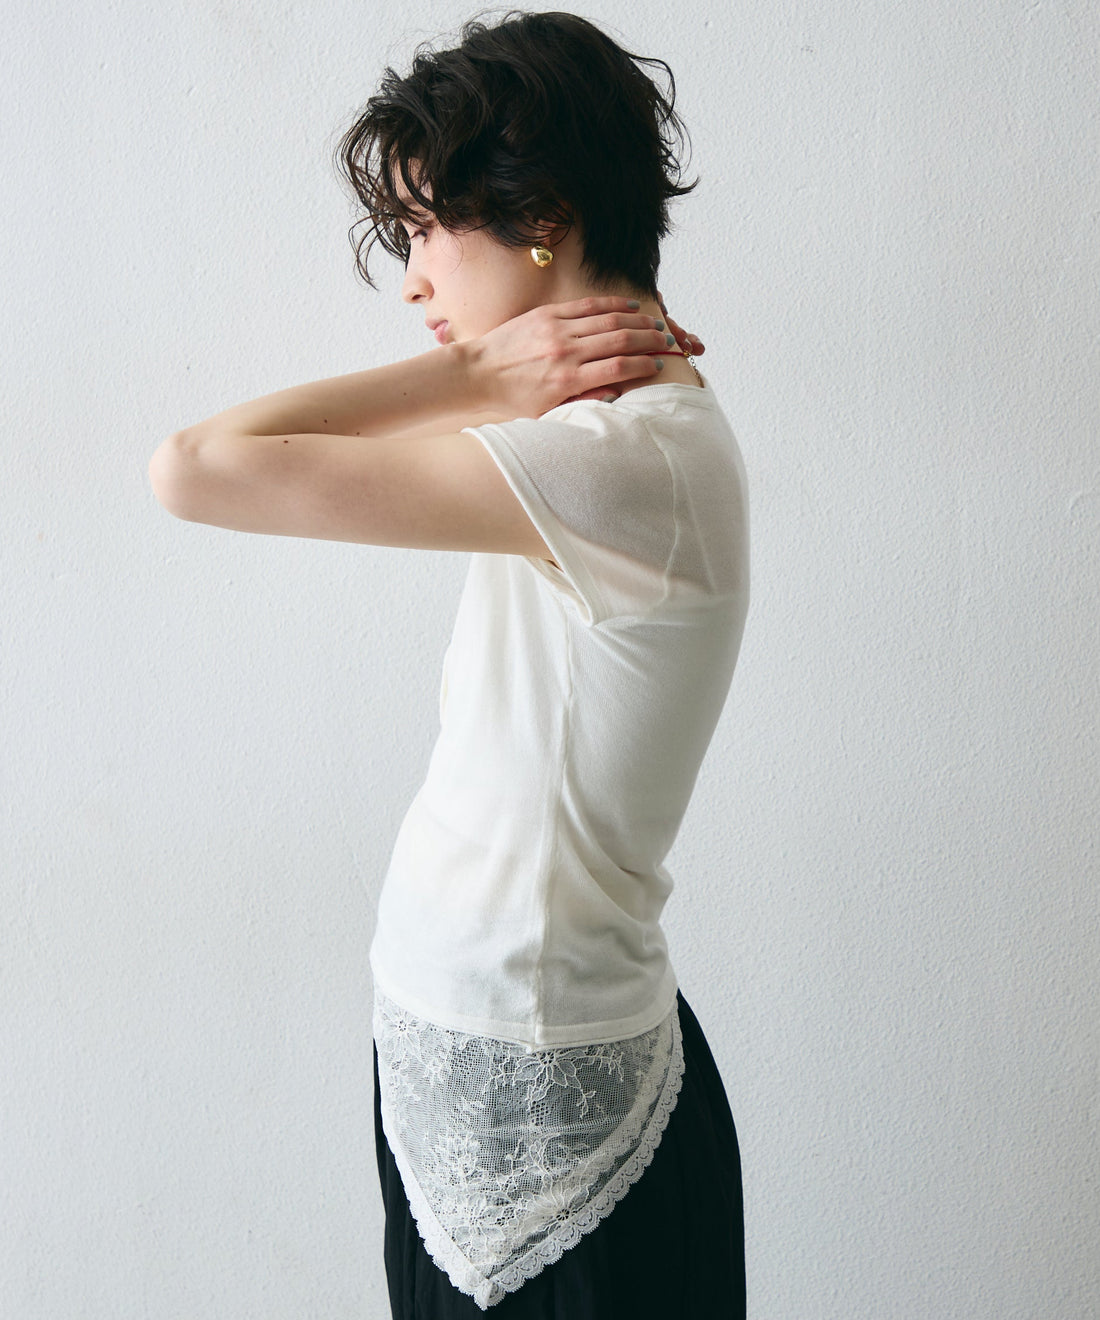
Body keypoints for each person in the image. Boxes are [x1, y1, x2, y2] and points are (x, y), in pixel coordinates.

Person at [149, 9, 749, 1317]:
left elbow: (193, 469)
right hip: (478, 1056)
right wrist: (500, 374)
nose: (414, 279)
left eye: (427, 228)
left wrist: (472, 371)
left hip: (541, 1090)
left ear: (549, 215)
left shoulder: (623, 459)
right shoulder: (592, 431)